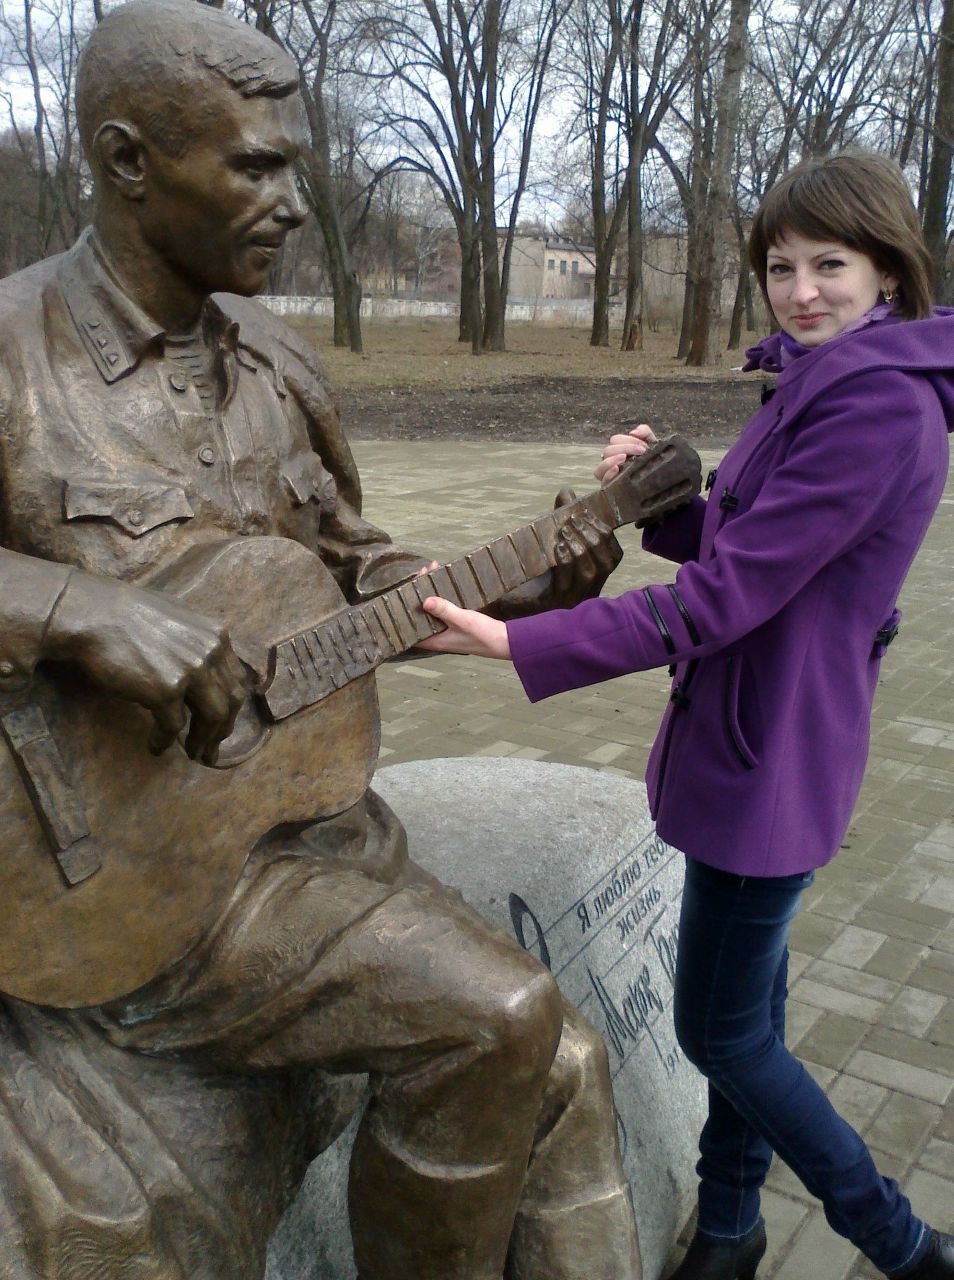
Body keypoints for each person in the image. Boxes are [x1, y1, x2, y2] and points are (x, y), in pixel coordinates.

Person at [0, 1, 692, 1275]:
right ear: (127, 160)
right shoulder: (9, 353)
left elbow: (353, 576)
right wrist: (75, 608)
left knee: (562, 1059)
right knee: (502, 1016)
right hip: (112, 879)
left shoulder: (274, 362)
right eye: (256, 166)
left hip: (296, 832)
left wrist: (532, 583)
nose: (294, 202)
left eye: (297, 167)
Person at [421, 152, 954, 1280]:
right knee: (752, 1003)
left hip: (774, 765)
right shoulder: (820, 378)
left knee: (722, 1032)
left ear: (889, 268)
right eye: (780, 265)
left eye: (830, 264)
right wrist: (662, 499)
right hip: (760, 742)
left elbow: (726, 598)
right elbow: (751, 547)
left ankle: (900, 1241)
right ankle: (730, 1223)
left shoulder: (875, 408)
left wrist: (524, 639)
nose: (801, 289)